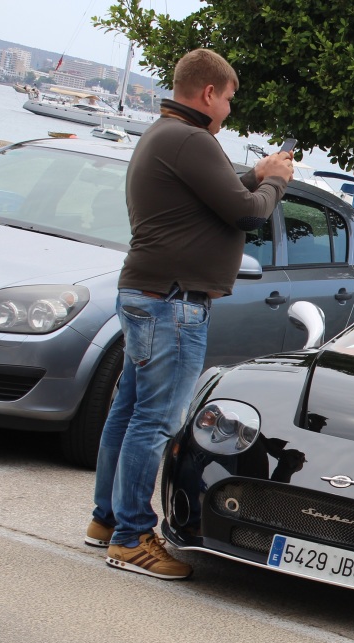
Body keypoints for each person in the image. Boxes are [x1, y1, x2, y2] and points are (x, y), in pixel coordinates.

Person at [85, 48, 295, 580]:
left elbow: (219, 196)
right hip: (172, 305)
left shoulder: (167, 135)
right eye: (227, 99)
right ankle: (132, 537)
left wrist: (254, 173)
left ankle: (107, 522)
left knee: (128, 413)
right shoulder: (190, 139)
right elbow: (247, 213)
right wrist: (275, 181)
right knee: (153, 422)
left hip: (149, 293)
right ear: (208, 93)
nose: (228, 109)